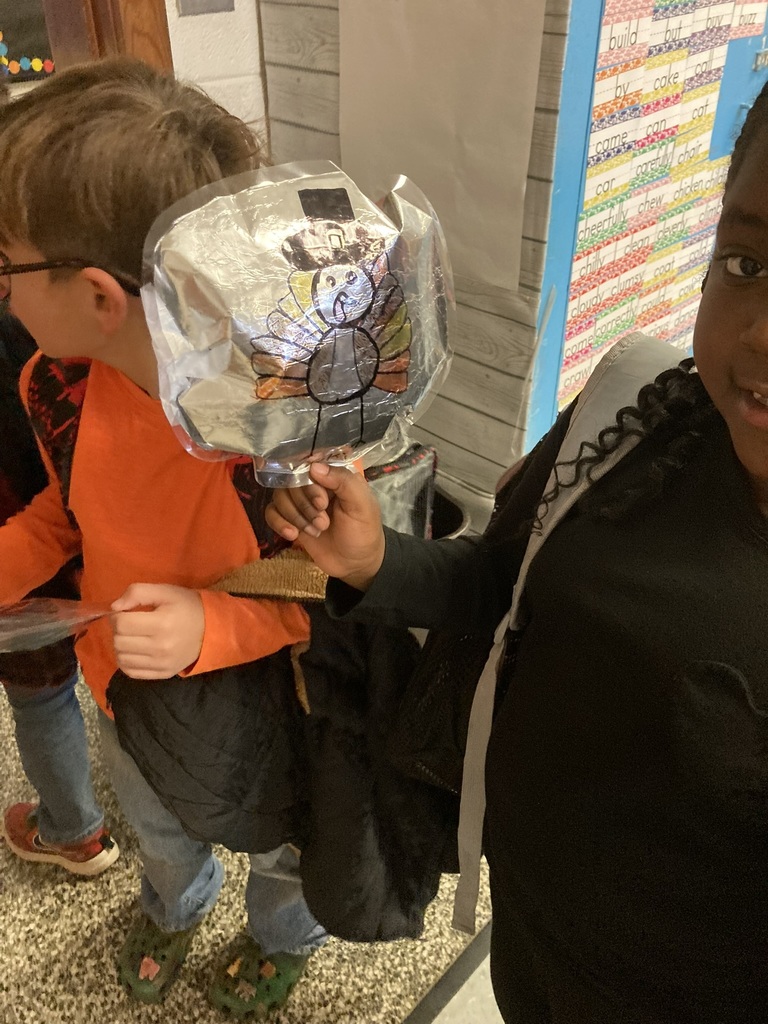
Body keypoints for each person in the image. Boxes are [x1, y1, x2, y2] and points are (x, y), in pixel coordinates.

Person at [266, 83, 768, 1024]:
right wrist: (378, 562)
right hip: (532, 935)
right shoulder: (637, 413)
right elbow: (510, 586)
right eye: (746, 261)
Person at [0, 311, 119, 876]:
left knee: (42, 698)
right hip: (89, 557)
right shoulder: (41, 340)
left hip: (27, 584)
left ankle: (75, 831)